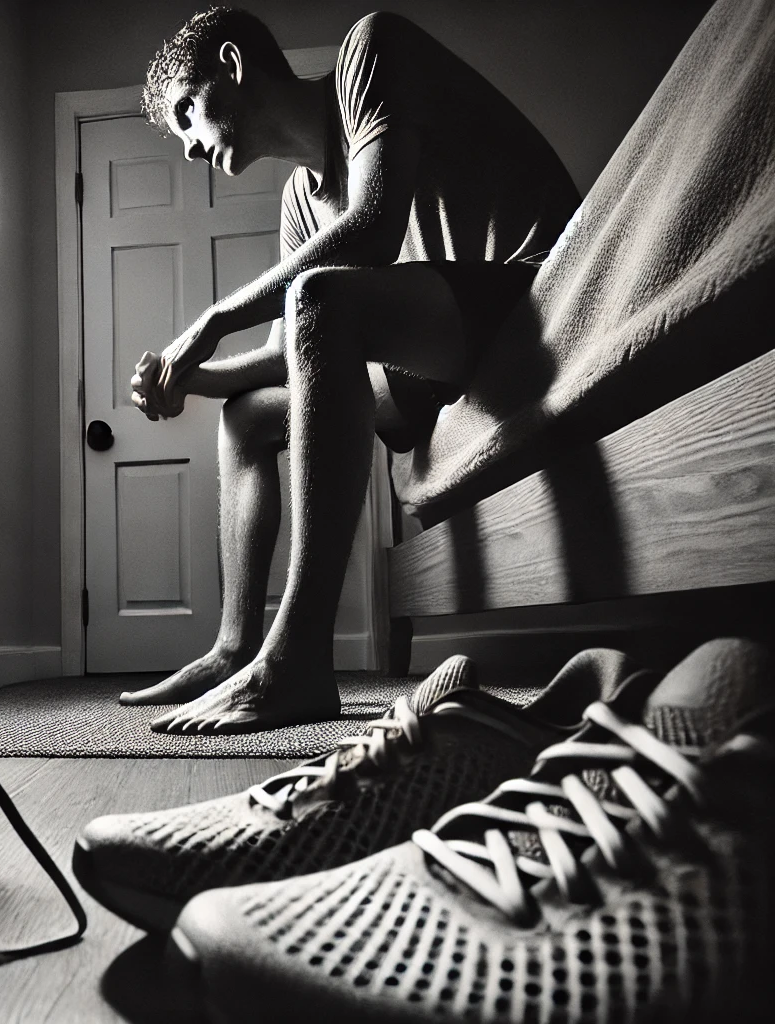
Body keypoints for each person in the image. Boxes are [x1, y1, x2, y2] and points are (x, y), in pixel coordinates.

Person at [122, 7, 580, 733]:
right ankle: (234, 646)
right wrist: (192, 380)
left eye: (187, 113)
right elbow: (293, 350)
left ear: (234, 68)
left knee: (323, 293)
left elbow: (370, 229)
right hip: (432, 351)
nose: (187, 147)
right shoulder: (299, 200)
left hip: (528, 300)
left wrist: (208, 325)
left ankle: (298, 659)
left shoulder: (371, 51)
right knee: (247, 416)